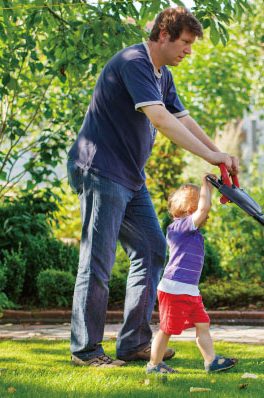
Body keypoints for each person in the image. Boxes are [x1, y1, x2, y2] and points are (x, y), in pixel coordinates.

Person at [66, 6, 239, 367]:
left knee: (152, 248)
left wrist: (218, 155)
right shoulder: (134, 62)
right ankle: (86, 350)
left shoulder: (163, 75)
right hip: (100, 169)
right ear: (164, 35)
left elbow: (182, 117)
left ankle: (133, 344)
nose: (189, 50)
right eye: (186, 42)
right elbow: (159, 119)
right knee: (98, 259)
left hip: (129, 176)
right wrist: (210, 156)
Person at [146, 174, 238, 375]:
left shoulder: (192, 232)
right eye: (201, 208)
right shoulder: (179, 227)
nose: (206, 213)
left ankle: (211, 361)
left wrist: (211, 188)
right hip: (174, 290)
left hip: (190, 291)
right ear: (190, 210)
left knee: (203, 324)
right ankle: (153, 365)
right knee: (167, 329)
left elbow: (205, 207)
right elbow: (204, 209)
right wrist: (206, 185)